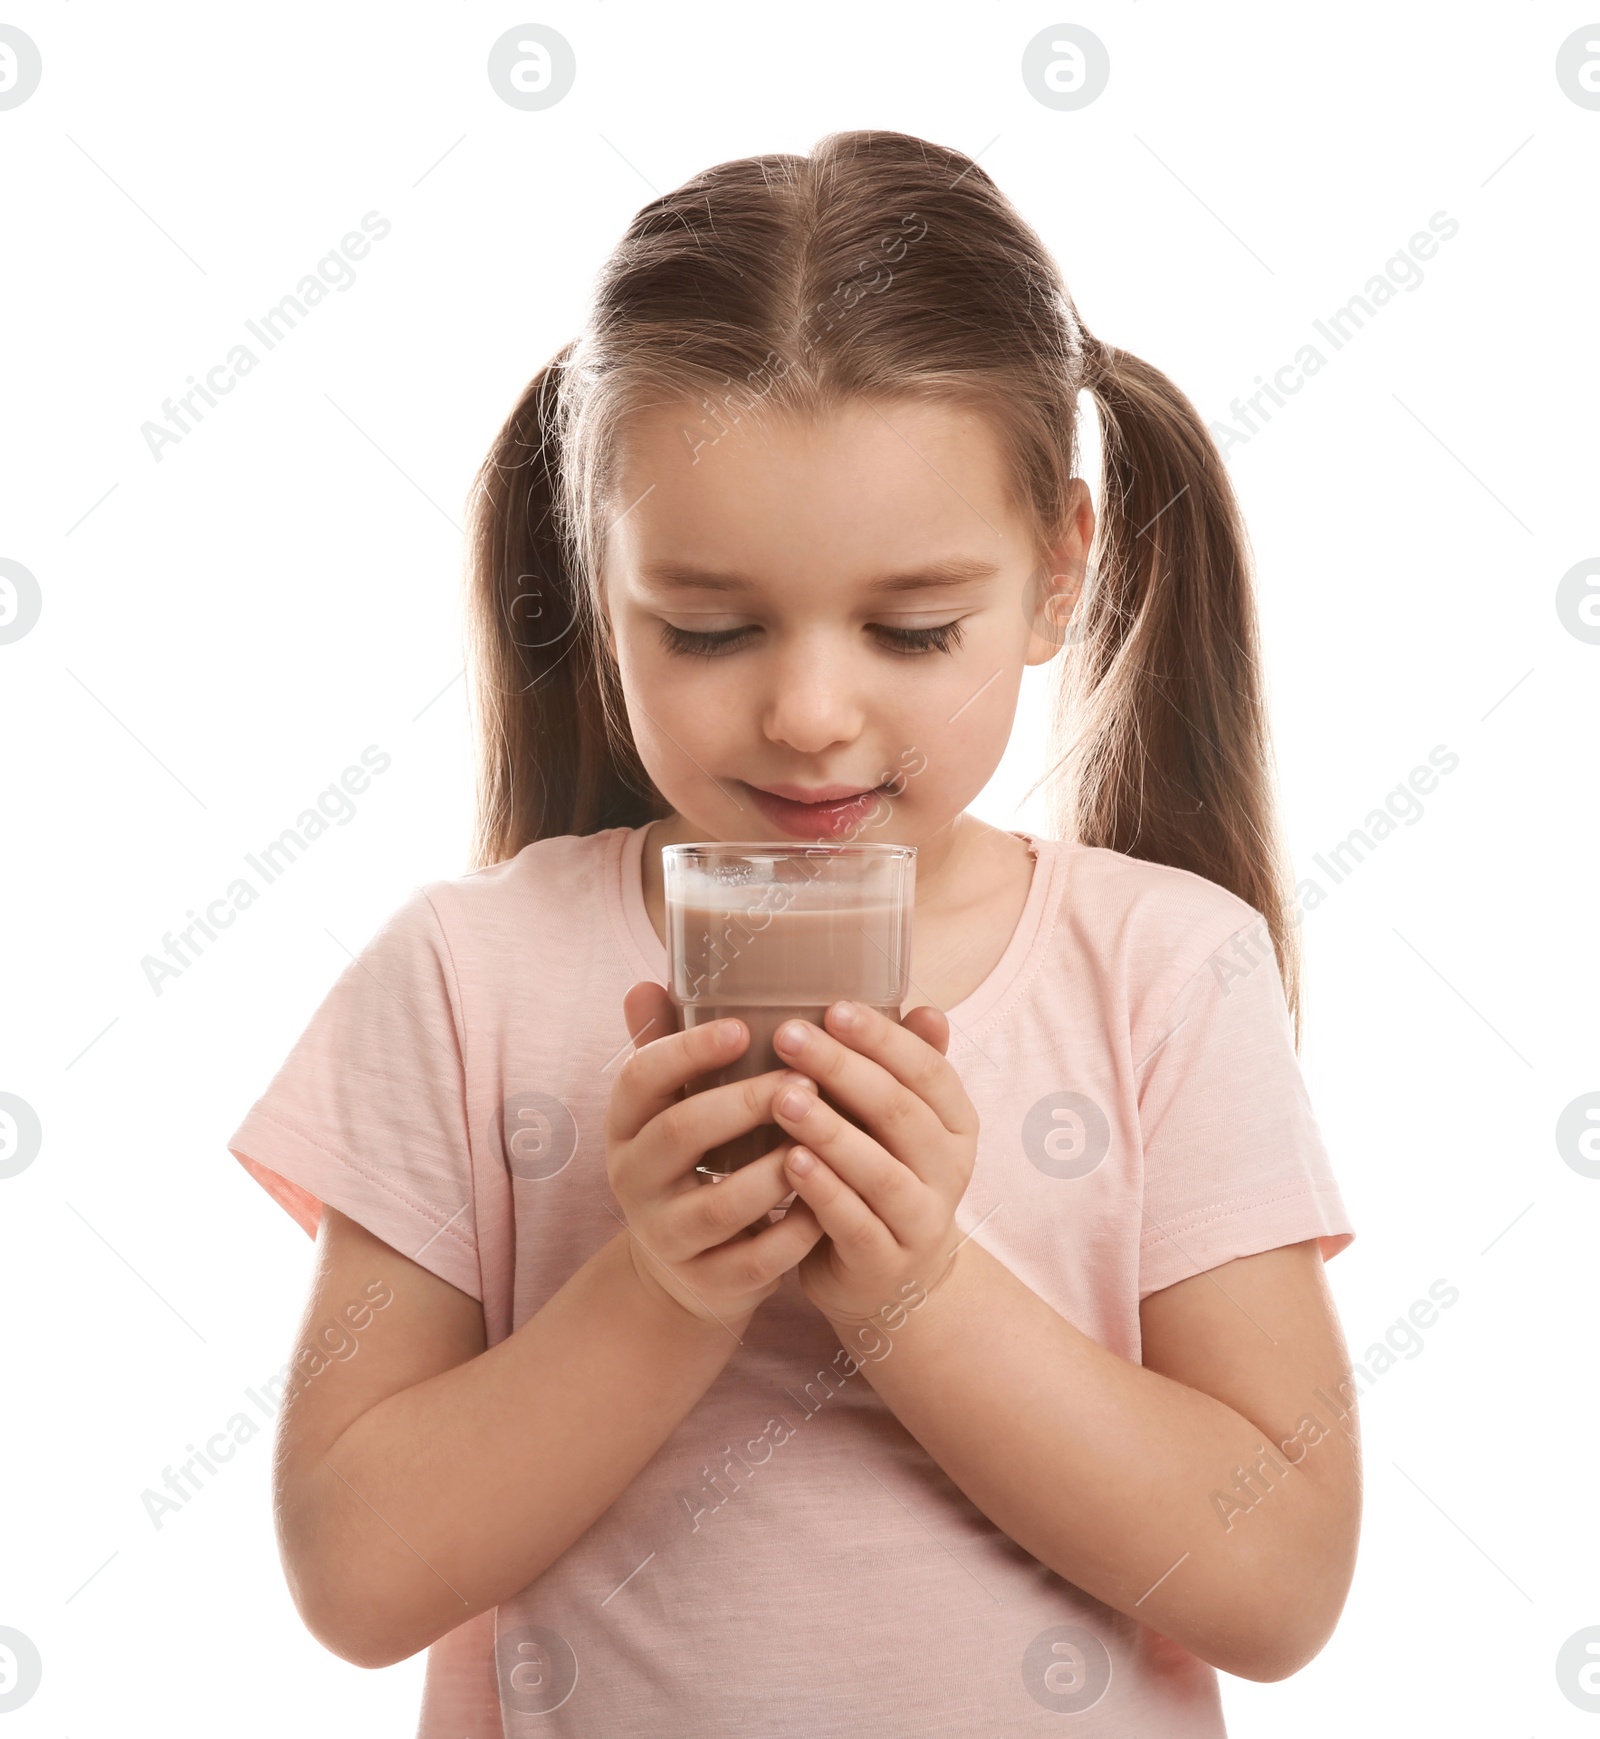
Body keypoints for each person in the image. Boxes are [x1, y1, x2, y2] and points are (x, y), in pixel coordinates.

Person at [227, 128, 1359, 1736]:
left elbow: (1282, 1584)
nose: (811, 713)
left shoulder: (1168, 971)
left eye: (912, 631)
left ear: (1058, 573)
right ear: (595, 576)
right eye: (707, 627)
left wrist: (916, 1295)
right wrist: (660, 1295)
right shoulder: (466, 979)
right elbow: (355, 1572)